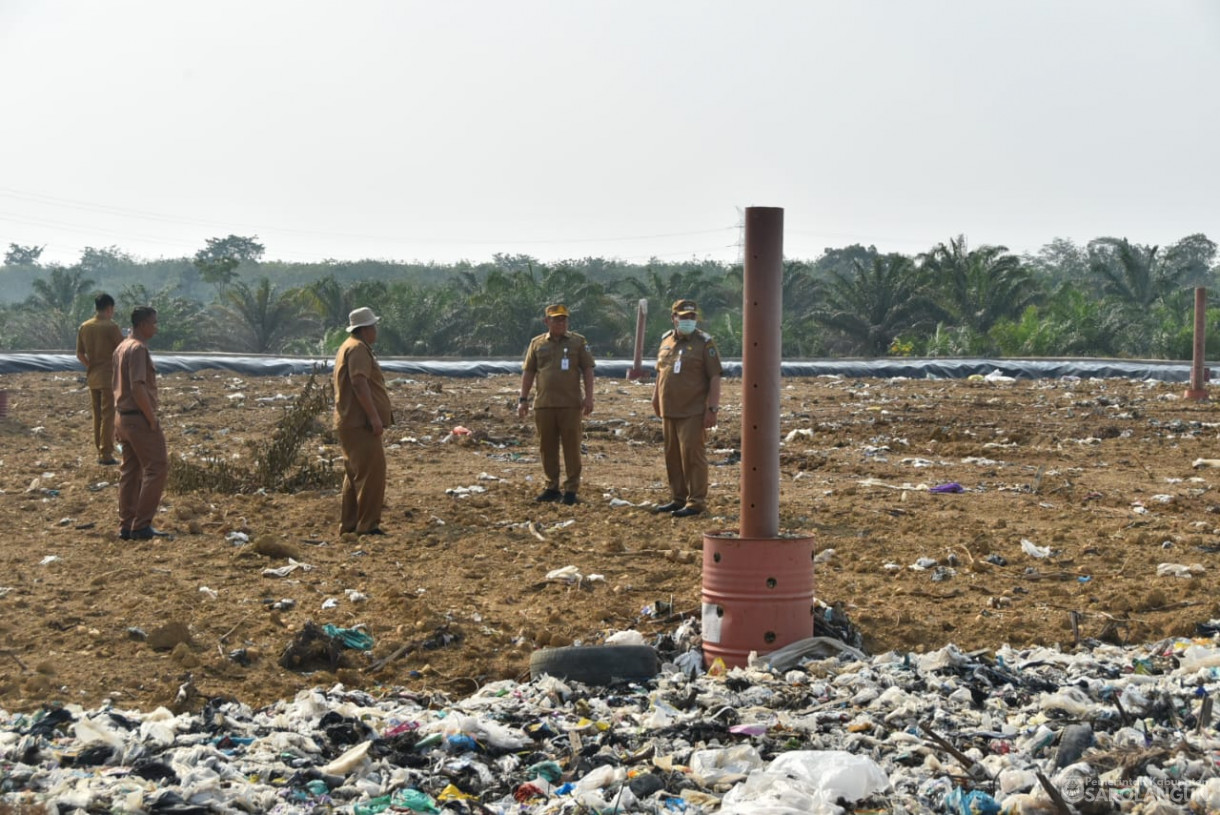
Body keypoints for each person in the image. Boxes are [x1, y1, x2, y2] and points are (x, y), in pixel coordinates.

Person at [651, 298, 723, 518]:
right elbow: (660, 372)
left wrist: (712, 409)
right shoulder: (666, 341)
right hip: (668, 410)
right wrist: (655, 398)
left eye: (692, 317)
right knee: (672, 456)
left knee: (693, 456)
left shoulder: (704, 343)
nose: (688, 321)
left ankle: (696, 502)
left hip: (692, 411)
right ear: (674, 318)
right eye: (683, 317)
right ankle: (678, 498)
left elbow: (715, 377)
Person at [518, 303, 595, 505]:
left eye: (564, 319)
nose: (561, 322)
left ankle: (570, 490)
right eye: (556, 319)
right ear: (547, 321)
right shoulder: (537, 344)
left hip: (570, 405)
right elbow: (528, 372)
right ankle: (551, 486)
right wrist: (523, 399)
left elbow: (588, 369)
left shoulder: (578, 342)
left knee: (571, 448)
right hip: (544, 405)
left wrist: (589, 397)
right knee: (547, 448)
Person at [333, 307, 394, 536]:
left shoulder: (347, 346)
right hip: (360, 423)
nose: (376, 331)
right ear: (366, 329)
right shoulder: (358, 349)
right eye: (374, 327)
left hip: (349, 421)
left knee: (355, 474)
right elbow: (359, 383)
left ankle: (349, 524)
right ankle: (368, 525)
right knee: (372, 474)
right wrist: (374, 417)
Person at [112, 306, 169, 539]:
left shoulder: (121, 347)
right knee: (157, 467)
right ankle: (141, 525)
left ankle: (126, 525)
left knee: (131, 470)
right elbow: (137, 386)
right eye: (154, 323)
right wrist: (151, 418)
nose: (155, 327)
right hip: (138, 417)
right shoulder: (138, 349)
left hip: (122, 417)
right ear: (143, 324)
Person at [76, 293, 124, 465]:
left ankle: (100, 450)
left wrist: (91, 365)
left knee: (98, 416)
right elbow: (122, 351)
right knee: (109, 415)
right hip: (108, 377)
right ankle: (106, 453)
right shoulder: (111, 327)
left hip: (93, 376)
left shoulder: (85, 326)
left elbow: (80, 354)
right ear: (109, 308)